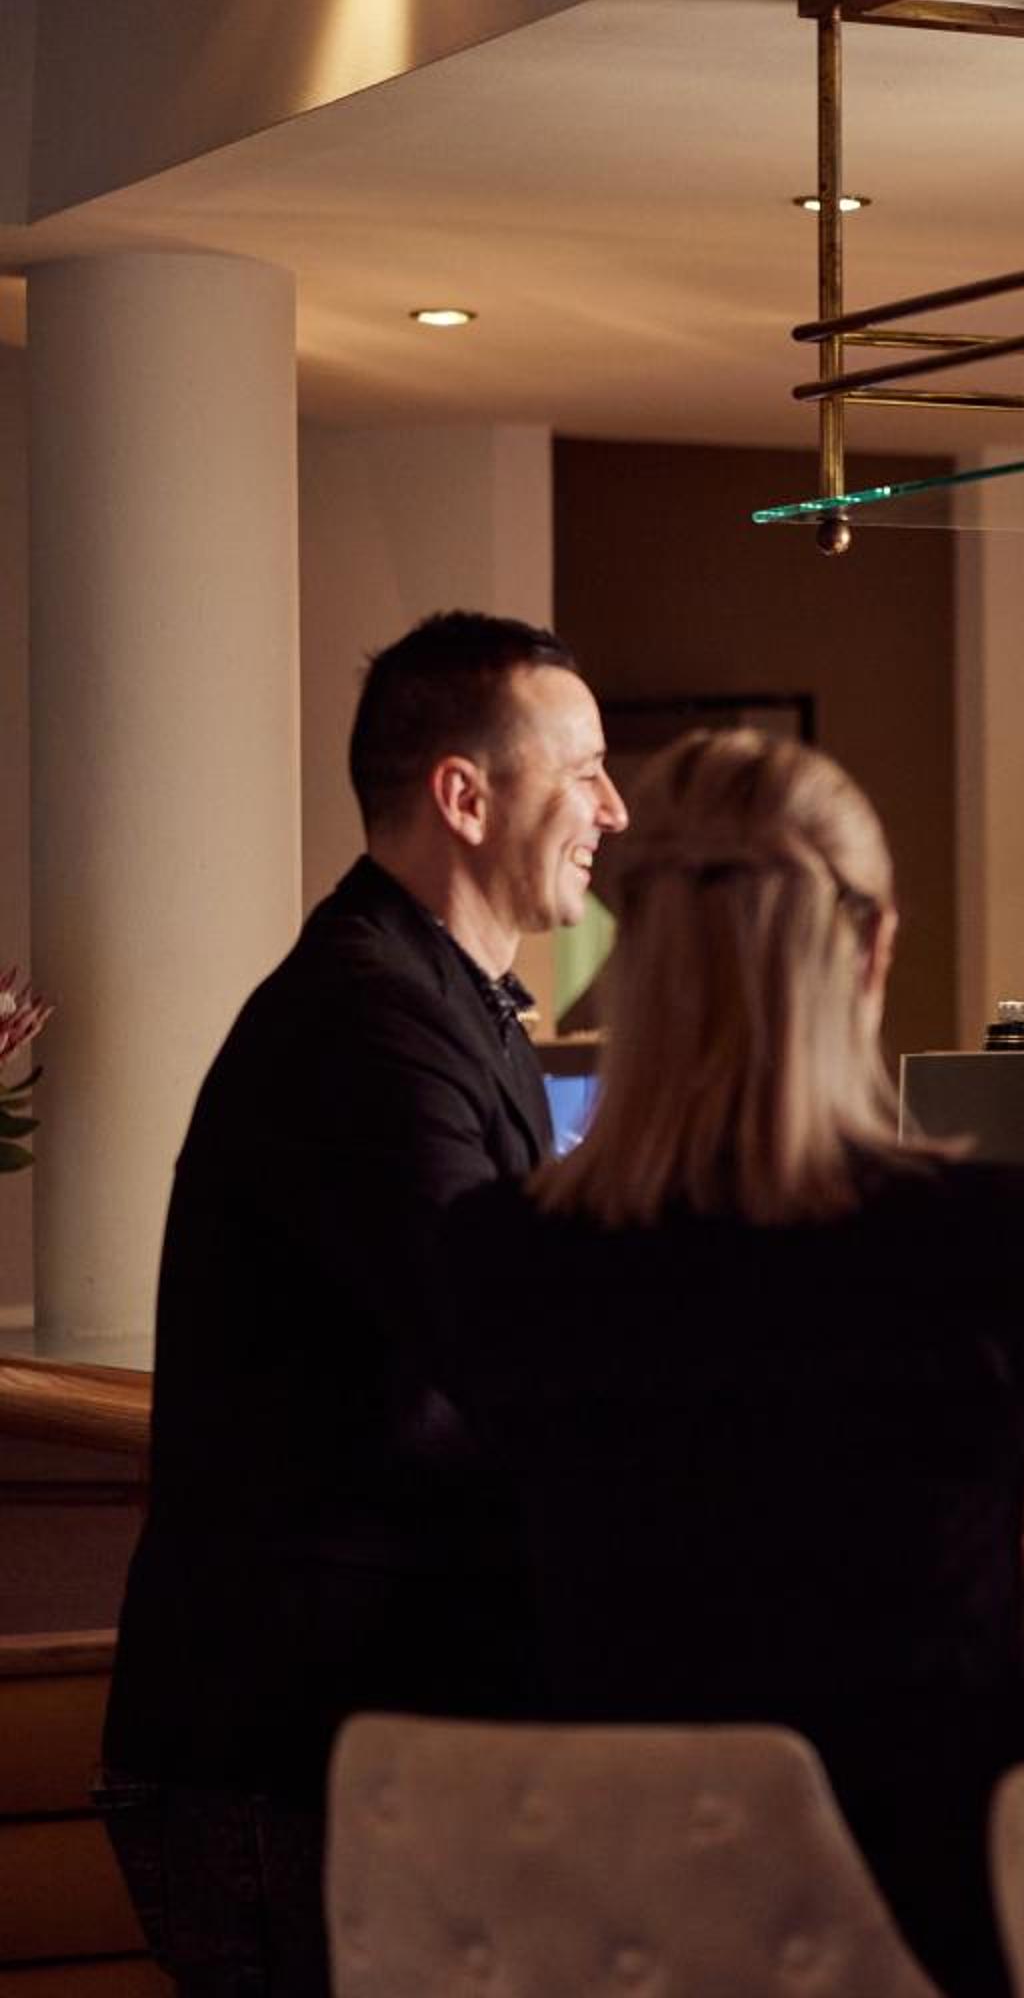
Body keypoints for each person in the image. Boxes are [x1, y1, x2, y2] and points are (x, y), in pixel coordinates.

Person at [432, 728, 1024, 1998]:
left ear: (637, 950)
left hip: (604, 1945)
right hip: (927, 1943)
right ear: (874, 949)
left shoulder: (497, 1255)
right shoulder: (1003, 1237)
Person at [98, 612, 630, 1993]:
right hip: (286, 1753)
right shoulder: (366, 1021)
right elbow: (513, 1343)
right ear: (465, 795)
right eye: (583, 770)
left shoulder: (453, 1002)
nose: (613, 809)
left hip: (353, 1737)